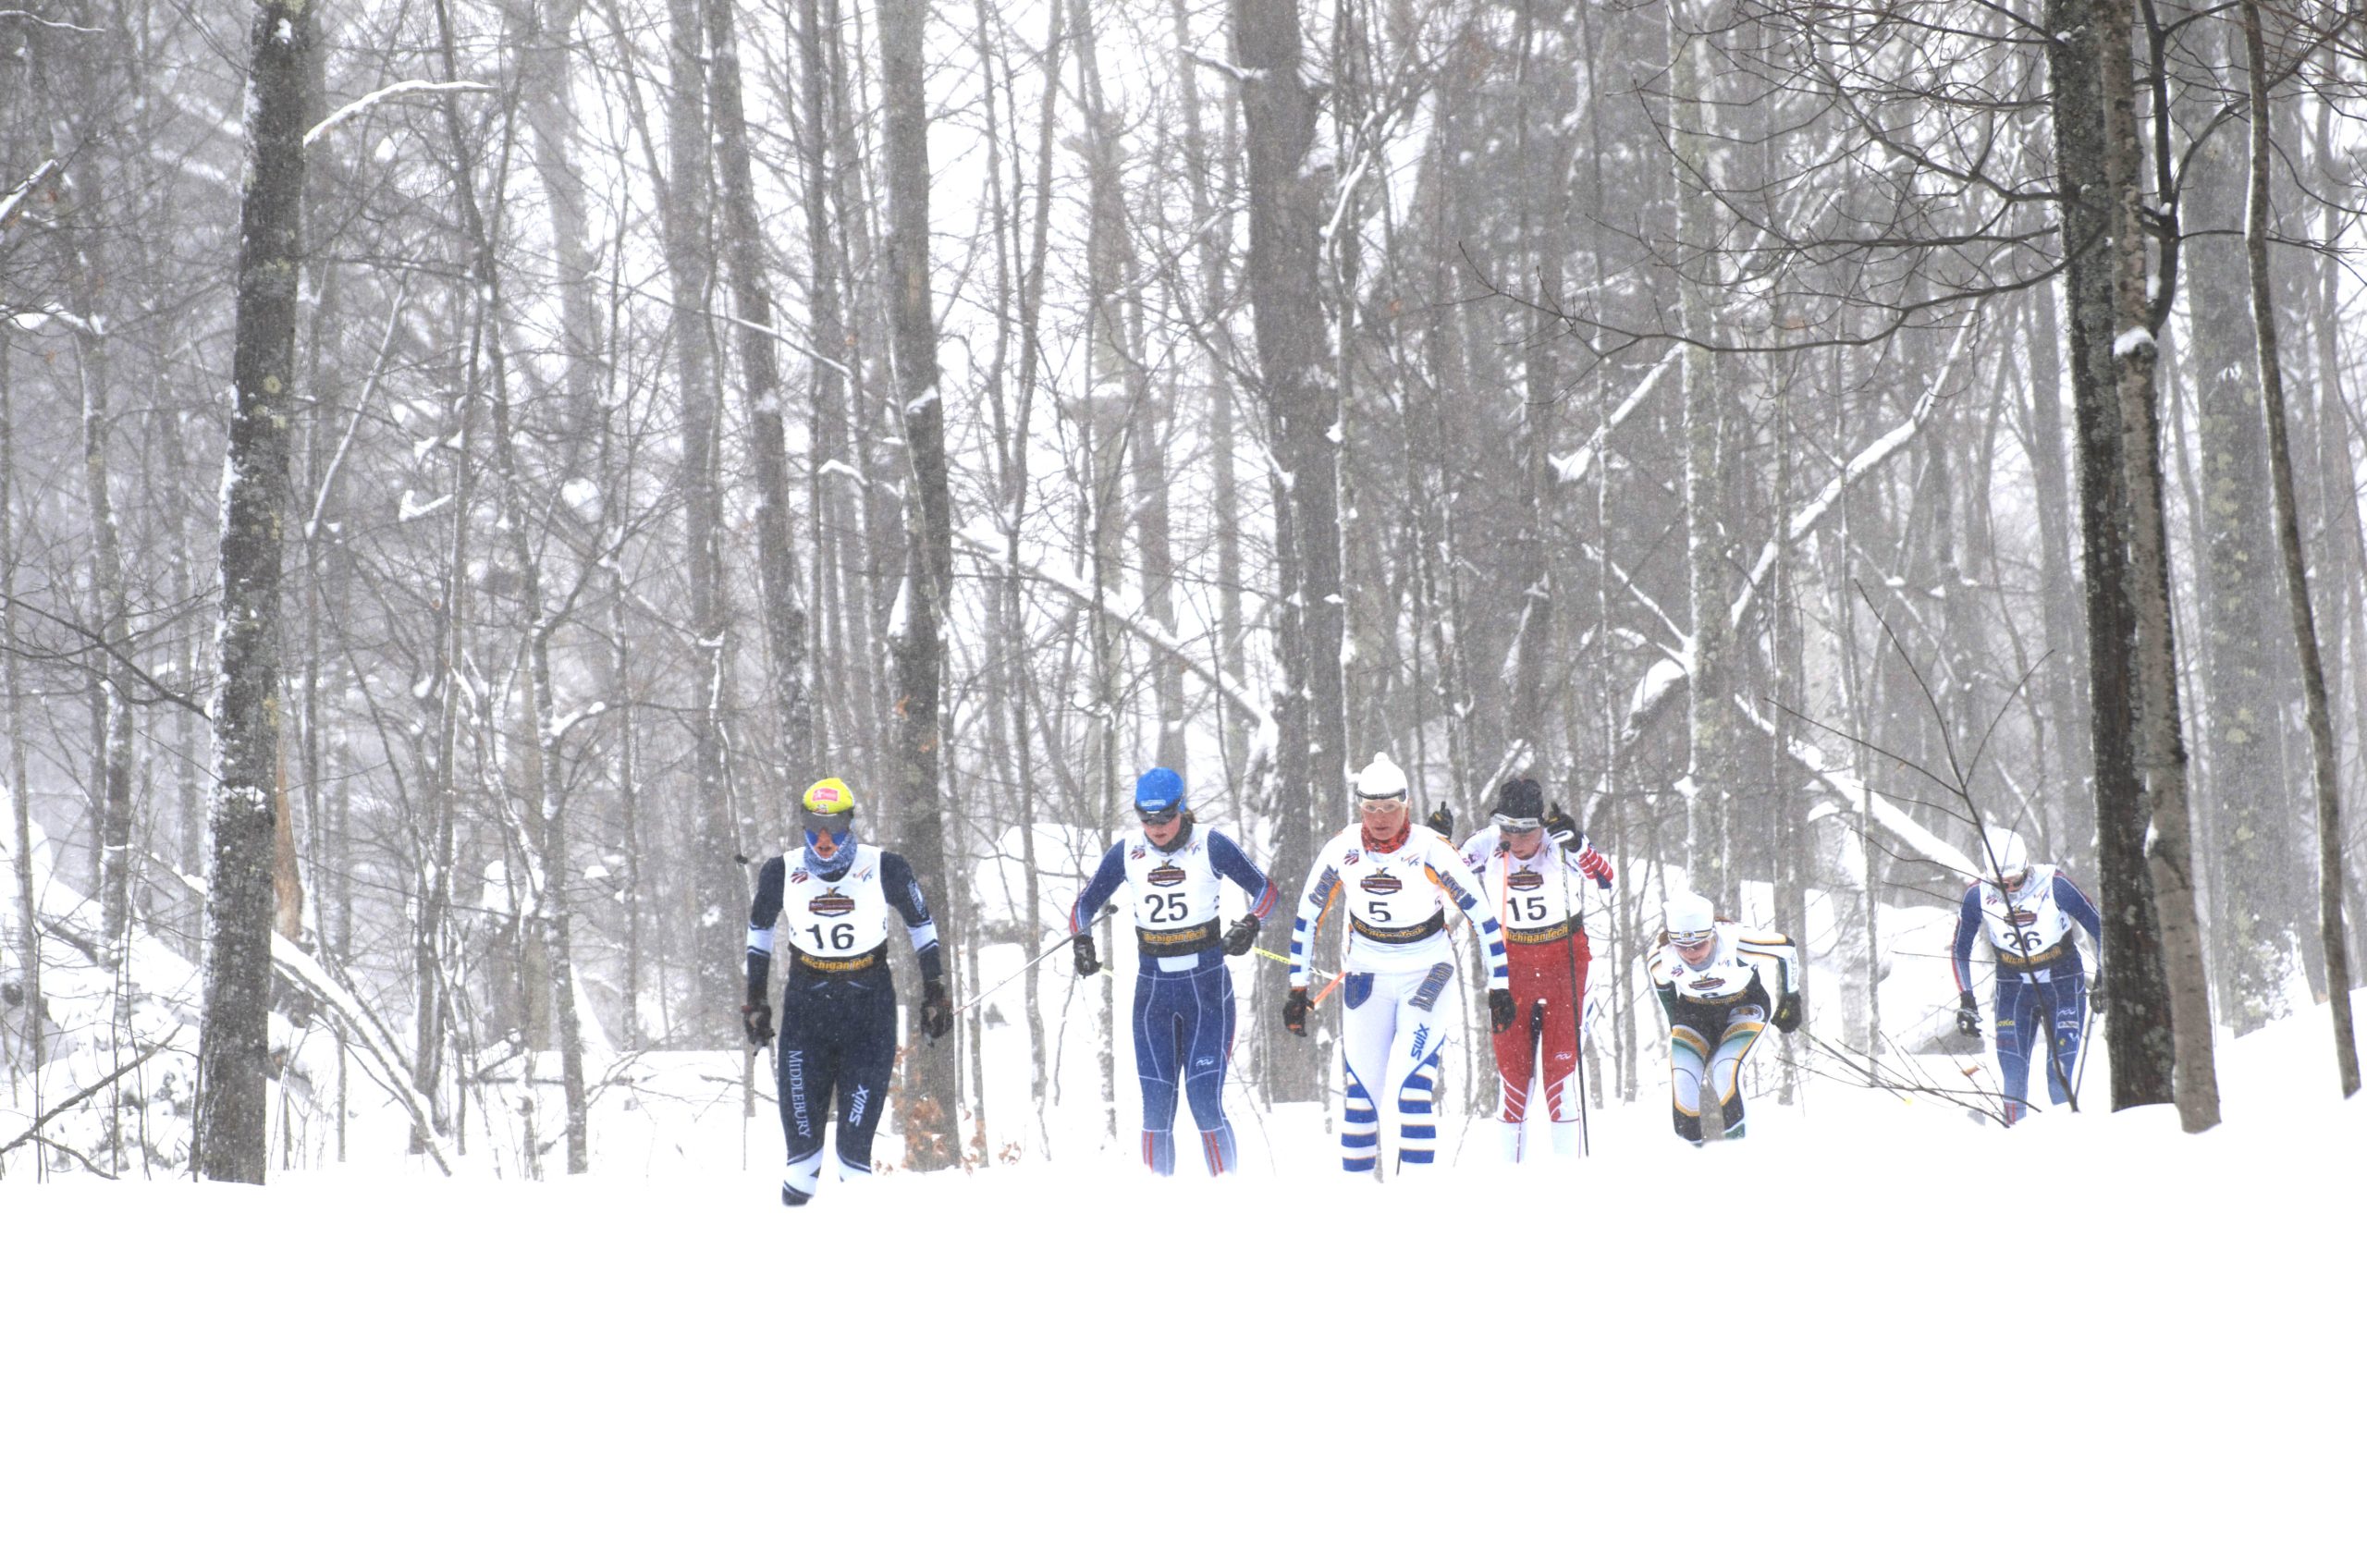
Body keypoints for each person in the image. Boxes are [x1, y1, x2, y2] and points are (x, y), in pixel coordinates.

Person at [1285, 753, 1512, 1175]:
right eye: (1371, 808)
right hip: (1366, 977)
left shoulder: (1431, 848)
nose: (1380, 818)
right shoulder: (1342, 848)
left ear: (1406, 805)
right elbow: (1307, 917)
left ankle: (1415, 1202)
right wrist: (1297, 988)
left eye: (1389, 807)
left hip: (1427, 974)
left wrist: (1499, 987)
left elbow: (1483, 918)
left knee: (1412, 1093)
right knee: (1360, 1101)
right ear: (1360, 807)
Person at [743, 778, 952, 1206]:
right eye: (813, 826)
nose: (824, 839)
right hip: (806, 1013)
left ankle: (859, 1243)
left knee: (853, 1157)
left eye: (835, 827)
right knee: (802, 1164)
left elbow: (921, 924)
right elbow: (759, 930)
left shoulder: (886, 866)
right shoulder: (780, 871)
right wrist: (756, 999)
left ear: (850, 823)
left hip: (868, 1012)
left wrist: (934, 990)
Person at [1069, 767, 1277, 1176]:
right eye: (1147, 819)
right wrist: (1082, 940)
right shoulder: (1127, 851)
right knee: (1156, 1109)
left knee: (1204, 1102)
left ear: (1181, 809)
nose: (1157, 827)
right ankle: (1158, 1198)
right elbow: (1084, 904)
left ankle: (1228, 1195)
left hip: (1207, 990)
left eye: (1165, 816)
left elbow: (1265, 890)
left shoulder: (1210, 844)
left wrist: (1250, 924)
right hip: (1154, 994)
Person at [1442, 777, 1615, 1160]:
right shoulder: (1486, 843)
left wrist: (1579, 844)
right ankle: (1511, 1179)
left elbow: (1604, 878)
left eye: (1525, 831)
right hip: (1511, 969)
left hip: (1564, 965)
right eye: (1507, 829)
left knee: (1560, 1082)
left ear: (1541, 824)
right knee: (1513, 1084)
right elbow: (1442, 878)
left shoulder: (1558, 841)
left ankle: (1569, 1179)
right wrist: (1438, 843)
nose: (1515, 840)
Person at [1950, 827, 2103, 1125]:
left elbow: (2100, 926)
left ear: (2027, 867)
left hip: (2062, 982)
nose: (2009, 890)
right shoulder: (1976, 894)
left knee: (2058, 1078)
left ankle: (2070, 1141)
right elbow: (1959, 948)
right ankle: (2014, 1144)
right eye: (2000, 884)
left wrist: (2103, 977)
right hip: (2013, 988)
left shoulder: (2055, 884)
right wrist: (1966, 999)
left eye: (2015, 881)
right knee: (2013, 1079)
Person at [1648, 892, 1800, 1144]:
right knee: (1683, 1078)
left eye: (1699, 945)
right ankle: (1688, 1152)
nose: (1690, 953)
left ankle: (1738, 1147)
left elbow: (1787, 948)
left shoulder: (1739, 944)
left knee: (1725, 1070)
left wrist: (1791, 997)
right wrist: (1676, 1026)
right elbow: (1663, 989)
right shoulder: (1662, 958)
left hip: (1743, 1006)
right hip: (1694, 1013)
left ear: (1712, 935)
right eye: (1682, 947)